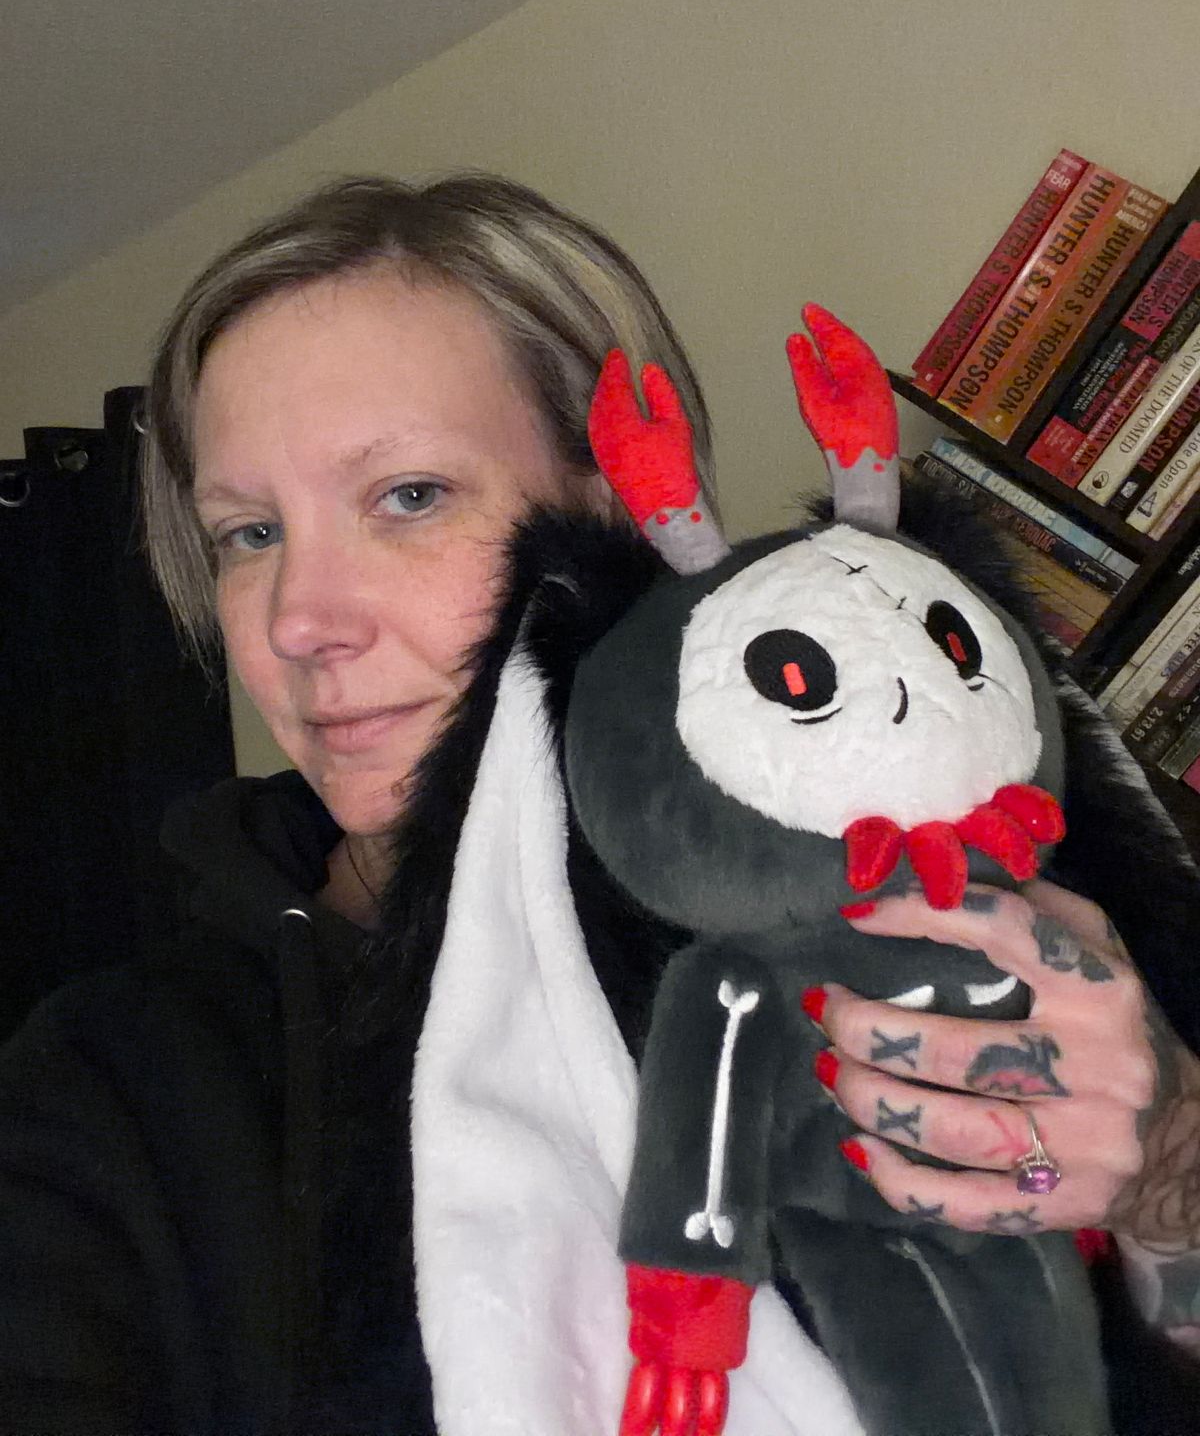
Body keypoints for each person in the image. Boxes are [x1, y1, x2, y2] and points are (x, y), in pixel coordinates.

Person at [0, 171, 1196, 1436]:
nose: (300, 619)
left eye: (408, 496)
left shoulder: (971, 894)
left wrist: (1170, 1167)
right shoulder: (110, 1090)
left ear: (616, 511)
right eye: (248, 533)